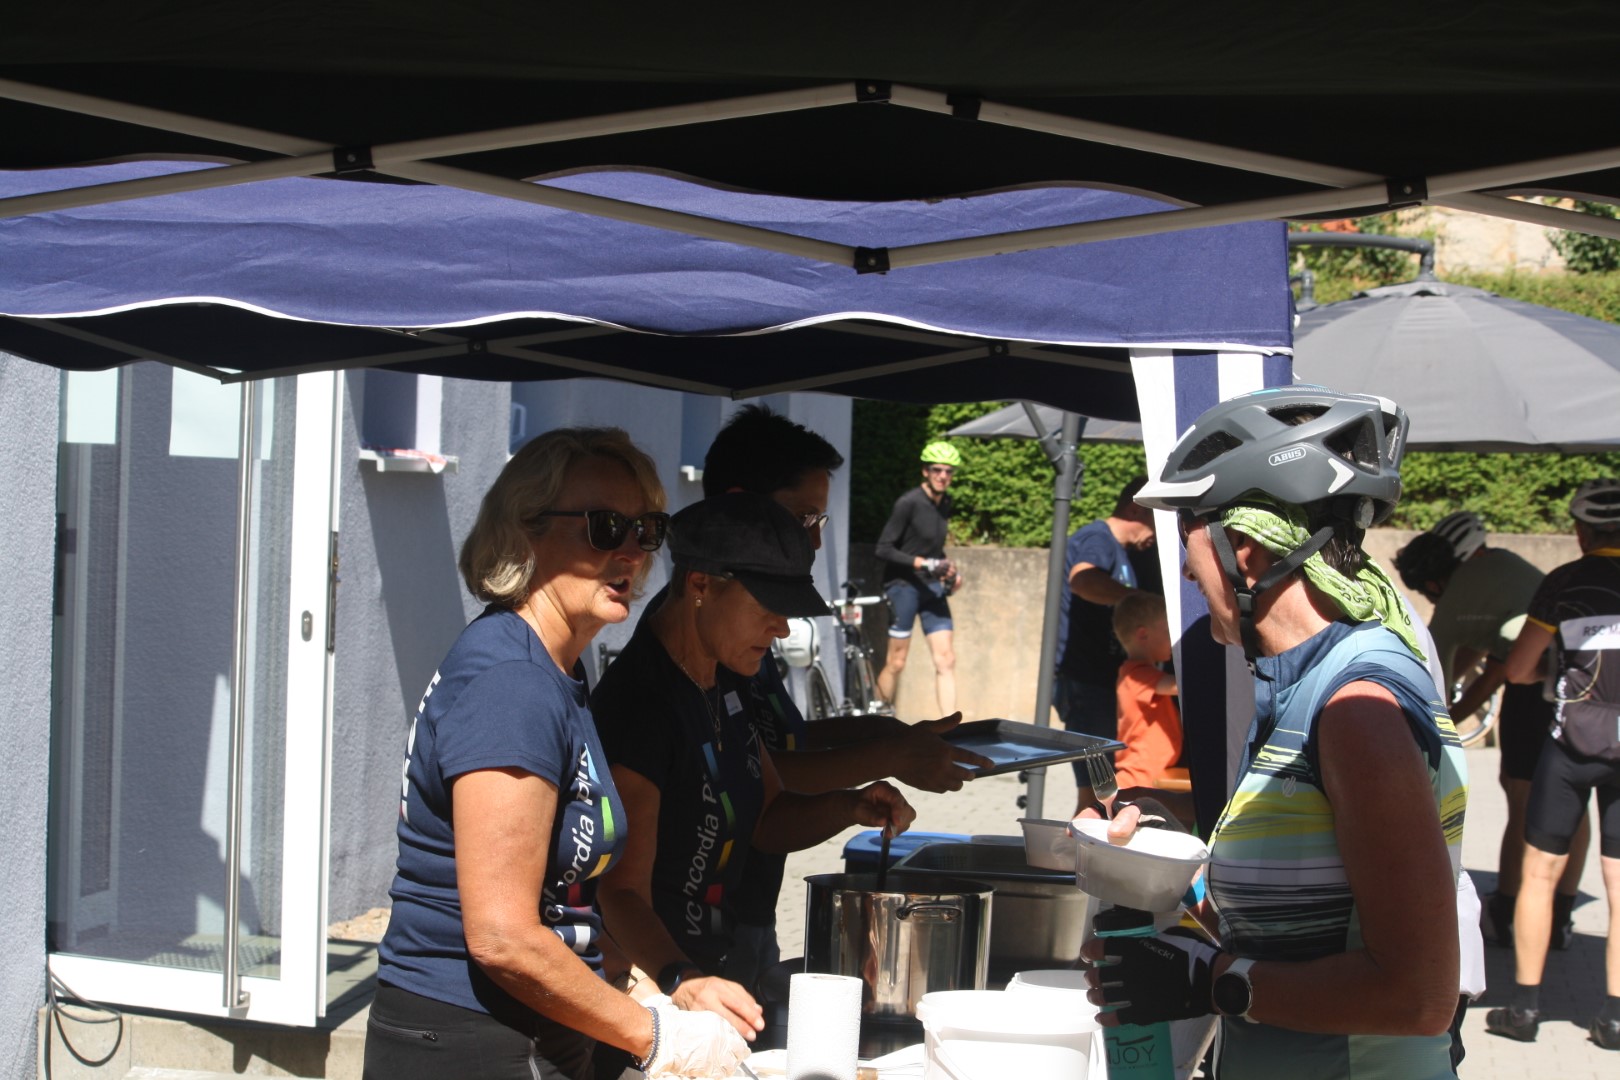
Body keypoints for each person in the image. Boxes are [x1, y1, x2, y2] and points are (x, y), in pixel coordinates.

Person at [1082, 386, 1468, 1079]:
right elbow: (1288, 921)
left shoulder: (1355, 708)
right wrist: (1160, 857)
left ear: (1246, 549)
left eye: (1188, 538)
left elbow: (1418, 997)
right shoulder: (1297, 687)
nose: (1186, 572)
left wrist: (1210, 984)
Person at [365, 427, 747, 1080]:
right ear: (525, 532)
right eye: (605, 527)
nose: (632, 551)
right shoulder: (511, 683)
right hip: (469, 1039)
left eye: (646, 530)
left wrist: (659, 985)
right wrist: (655, 1035)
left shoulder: (554, 668)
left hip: (532, 1024)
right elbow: (503, 936)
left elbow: (560, 903)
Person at [591, 493, 917, 1039]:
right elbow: (619, 892)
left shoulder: (726, 678)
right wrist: (682, 979)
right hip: (651, 999)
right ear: (700, 584)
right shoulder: (641, 706)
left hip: (715, 976)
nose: (783, 629)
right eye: (769, 606)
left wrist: (848, 806)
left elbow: (765, 817)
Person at [696, 406, 992, 993]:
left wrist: (887, 735)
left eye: (820, 519)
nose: (814, 539)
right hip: (701, 936)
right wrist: (890, 757)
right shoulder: (704, 641)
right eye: (803, 517)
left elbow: (781, 745)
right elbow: (761, 785)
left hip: (748, 915)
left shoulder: (747, 630)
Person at [1396, 510, 1589, 949]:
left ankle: (1508, 907)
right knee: (1572, 800)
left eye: (1430, 590)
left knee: (1521, 794)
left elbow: (1446, 667)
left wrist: (1439, 724)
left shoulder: (1466, 586)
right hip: (1572, 681)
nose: (1433, 598)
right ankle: (1560, 913)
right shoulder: (1500, 570)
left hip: (1534, 687)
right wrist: (1452, 712)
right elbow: (1482, 653)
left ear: (1441, 576)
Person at [1489, 478, 1620, 1050]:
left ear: (1581, 532)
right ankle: (1613, 1019)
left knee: (1539, 874)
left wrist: (1557, 675)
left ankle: (1523, 1009)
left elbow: (1518, 670)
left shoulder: (1564, 582)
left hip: (1569, 747)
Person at [1054, 475, 1158, 809]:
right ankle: (1077, 844)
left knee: (1105, 793)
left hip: (1098, 686)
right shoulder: (1098, 538)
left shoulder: (1125, 550)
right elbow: (1082, 579)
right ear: (1135, 510)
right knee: (1097, 797)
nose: (1157, 535)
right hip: (1085, 685)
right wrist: (1140, 600)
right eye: (1156, 521)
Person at [875, 440, 966, 715]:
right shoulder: (909, 503)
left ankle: (951, 727)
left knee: (946, 659)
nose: (943, 476)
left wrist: (950, 571)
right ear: (925, 471)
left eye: (948, 471)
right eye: (937, 469)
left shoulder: (945, 502)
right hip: (903, 586)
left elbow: (933, 549)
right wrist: (925, 563)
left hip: (931, 588)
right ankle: (876, 721)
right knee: (897, 661)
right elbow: (883, 549)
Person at [1110, 591, 1183, 795]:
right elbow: (1178, 686)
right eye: (1168, 631)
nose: (1173, 639)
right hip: (1137, 781)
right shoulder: (1136, 675)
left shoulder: (1140, 674)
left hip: (1149, 778)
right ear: (1143, 635)